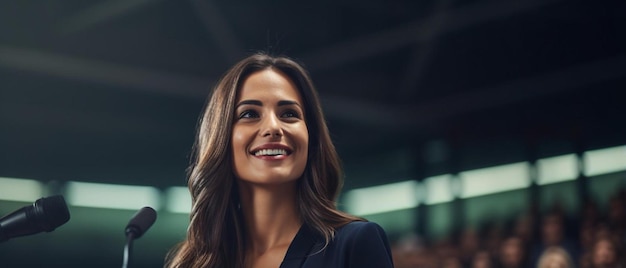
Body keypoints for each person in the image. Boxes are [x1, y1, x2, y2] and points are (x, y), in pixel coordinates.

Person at [165, 53, 394, 268]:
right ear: (221, 138)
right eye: (249, 114)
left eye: (289, 114)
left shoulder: (354, 243)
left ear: (311, 138)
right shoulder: (193, 262)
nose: (273, 127)